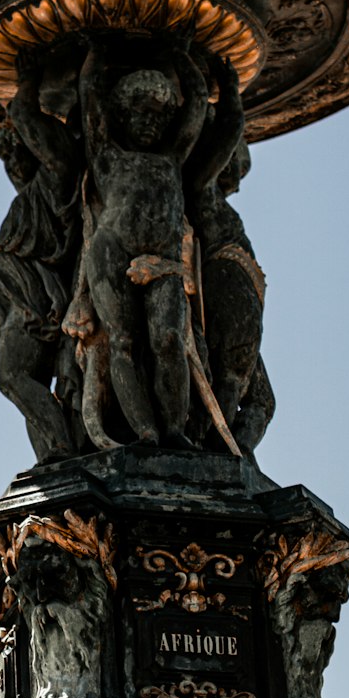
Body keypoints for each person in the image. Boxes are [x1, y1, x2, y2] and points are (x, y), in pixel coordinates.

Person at [79, 40, 208, 448]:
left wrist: (182, 54)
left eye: (160, 115)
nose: (151, 123)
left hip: (165, 261)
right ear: (122, 115)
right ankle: (145, 432)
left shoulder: (173, 158)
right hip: (110, 252)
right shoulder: (106, 154)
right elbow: (90, 99)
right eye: (141, 113)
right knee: (123, 341)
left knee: (168, 338)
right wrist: (95, 49)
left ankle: (174, 429)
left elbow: (199, 104)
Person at [0, 52, 81, 463]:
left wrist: (27, 79)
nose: (10, 163)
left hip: (34, 295)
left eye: (16, 153)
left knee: (15, 378)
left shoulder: (58, 175)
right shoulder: (32, 196)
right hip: (17, 291)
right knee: (28, 380)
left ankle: (61, 451)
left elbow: (25, 117)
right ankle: (53, 458)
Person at [186, 56, 273, 455]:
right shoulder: (200, 191)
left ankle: (233, 458)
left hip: (239, 290)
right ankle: (219, 452)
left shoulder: (213, 200)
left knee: (260, 401)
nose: (238, 177)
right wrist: (229, 97)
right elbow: (225, 135)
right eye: (235, 163)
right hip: (227, 288)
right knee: (231, 383)